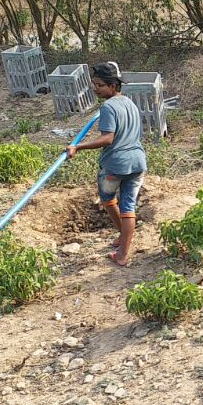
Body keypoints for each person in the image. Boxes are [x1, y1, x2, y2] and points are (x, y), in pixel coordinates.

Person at [66, 62, 147, 266]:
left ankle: (122, 247)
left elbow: (108, 139)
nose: (95, 89)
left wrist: (78, 147)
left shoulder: (108, 107)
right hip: (138, 162)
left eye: (100, 85)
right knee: (128, 205)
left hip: (116, 164)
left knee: (108, 198)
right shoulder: (129, 102)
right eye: (94, 84)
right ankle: (123, 246)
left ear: (113, 86)